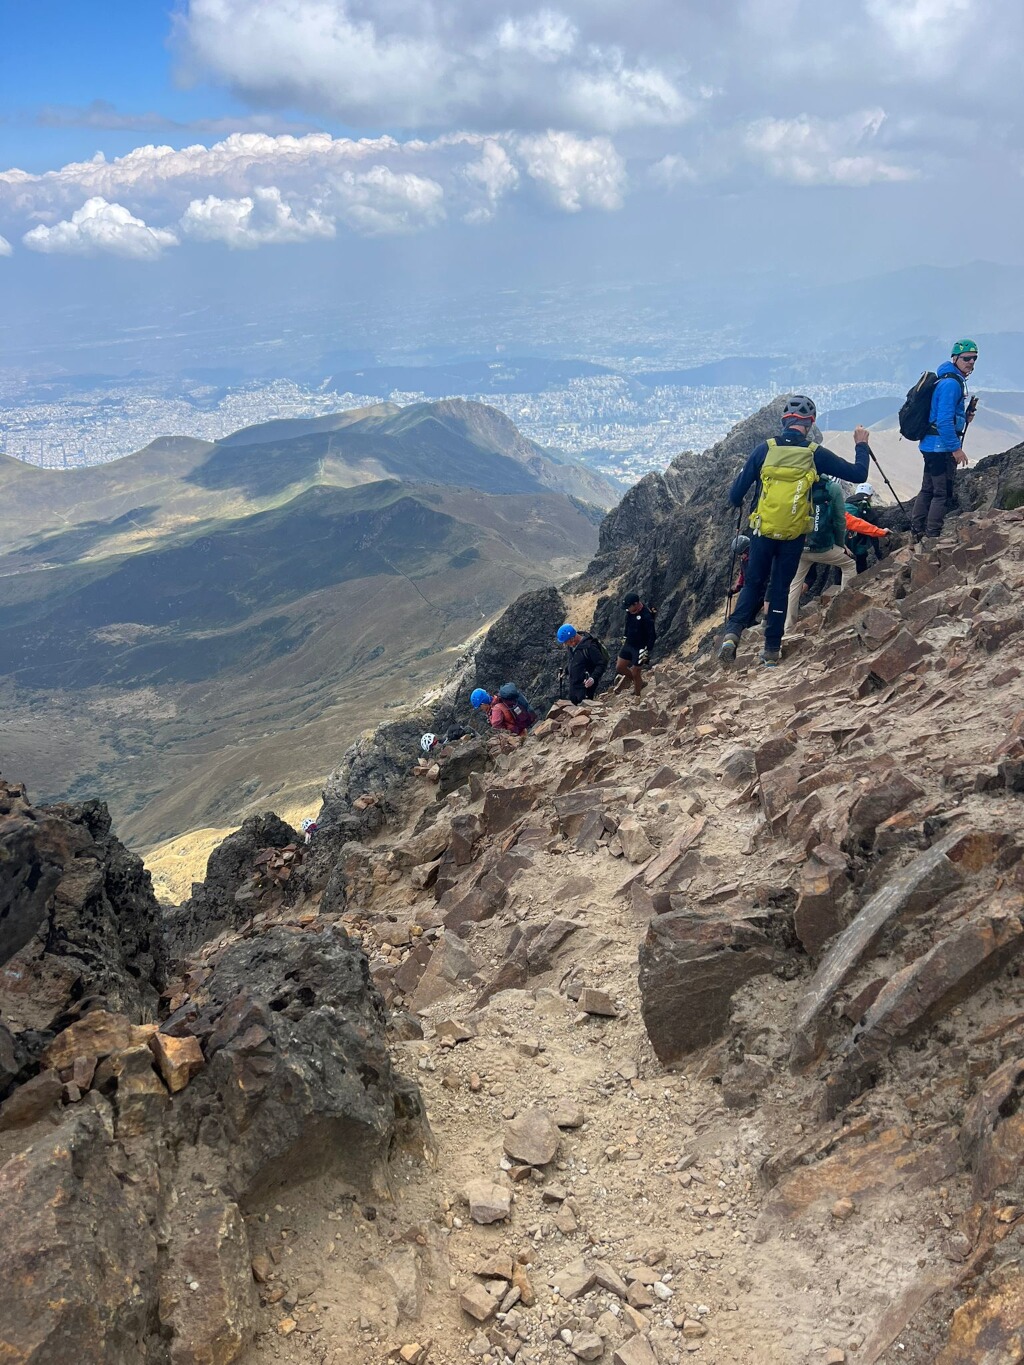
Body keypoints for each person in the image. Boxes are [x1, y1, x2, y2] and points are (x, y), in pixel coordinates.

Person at [718, 397, 871, 667]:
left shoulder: (764, 450)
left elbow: (734, 495)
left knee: (754, 583)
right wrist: (861, 444)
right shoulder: (814, 453)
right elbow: (858, 474)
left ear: (784, 421)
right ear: (810, 424)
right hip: (794, 534)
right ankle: (771, 651)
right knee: (780, 587)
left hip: (762, 531)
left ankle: (732, 634)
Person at [911, 339, 977, 542]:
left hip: (930, 444)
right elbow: (944, 421)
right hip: (940, 446)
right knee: (941, 493)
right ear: (955, 358)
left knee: (927, 489)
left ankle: (916, 532)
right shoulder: (951, 384)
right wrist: (956, 449)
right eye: (966, 358)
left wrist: (964, 418)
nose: (971, 362)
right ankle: (932, 536)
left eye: (974, 359)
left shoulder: (947, 379)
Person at [784, 478, 856, 632]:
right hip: (822, 547)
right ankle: (843, 611)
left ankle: (788, 626)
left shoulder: (799, 482)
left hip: (800, 547)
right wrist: (840, 544)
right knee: (849, 565)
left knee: (795, 583)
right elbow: (839, 520)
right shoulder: (831, 488)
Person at [613, 593, 657, 697]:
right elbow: (627, 624)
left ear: (636, 604)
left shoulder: (646, 616)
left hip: (641, 648)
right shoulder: (629, 612)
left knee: (636, 672)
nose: (627, 609)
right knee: (620, 667)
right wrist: (625, 637)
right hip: (629, 643)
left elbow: (652, 635)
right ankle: (639, 682)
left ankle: (637, 696)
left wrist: (647, 650)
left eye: (629, 606)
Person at [556, 623, 608, 704]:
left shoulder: (589, 647)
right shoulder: (571, 647)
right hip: (574, 685)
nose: (565, 644)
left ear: (572, 638)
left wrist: (593, 678)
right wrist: (565, 671)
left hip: (585, 687)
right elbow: (573, 661)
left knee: (583, 707)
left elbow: (601, 664)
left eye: (566, 642)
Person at [844, 483, 890, 573]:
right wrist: (878, 554)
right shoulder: (867, 510)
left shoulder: (844, 505)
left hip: (841, 544)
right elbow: (873, 533)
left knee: (843, 567)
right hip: (858, 545)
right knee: (860, 566)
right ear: (870, 496)